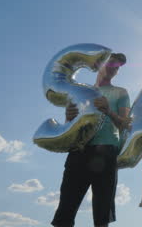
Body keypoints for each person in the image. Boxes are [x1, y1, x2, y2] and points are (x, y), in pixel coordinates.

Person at [52, 53, 131, 227]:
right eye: (110, 63)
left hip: (106, 154)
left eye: (117, 67)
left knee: (102, 215)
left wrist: (109, 111)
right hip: (79, 152)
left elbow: (125, 125)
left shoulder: (120, 92)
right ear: (99, 65)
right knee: (65, 211)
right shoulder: (81, 91)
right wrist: (69, 117)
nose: (113, 68)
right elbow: (70, 127)